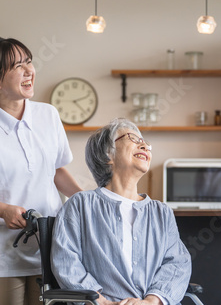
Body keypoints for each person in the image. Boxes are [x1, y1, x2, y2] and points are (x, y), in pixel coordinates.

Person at [0, 37, 82, 305]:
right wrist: (2, 210)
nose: (29, 70)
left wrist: (86, 203)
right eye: (18, 66)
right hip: (1, 256)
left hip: (52, 248)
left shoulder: (49, 116)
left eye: (29, 62)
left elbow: (56, 170)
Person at [51, 118, 191, 305]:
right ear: (108, 154)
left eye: (145, 142)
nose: (144, 145)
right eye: (133, 138)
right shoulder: (81, 205)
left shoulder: (161, 213)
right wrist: (103, 302)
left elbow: (177, 264)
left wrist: (151, 301)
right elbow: (66, 261)